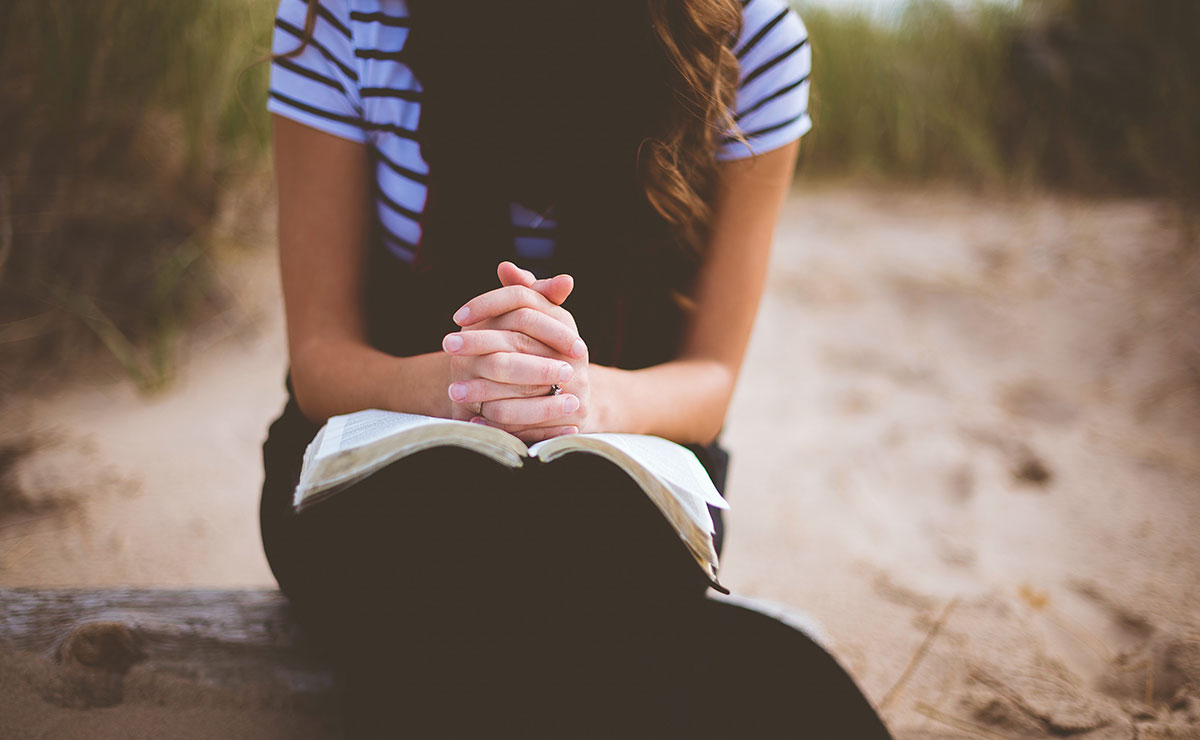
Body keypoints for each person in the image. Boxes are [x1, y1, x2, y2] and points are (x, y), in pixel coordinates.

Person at [258, 0, 893, 736]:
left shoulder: (753, 40)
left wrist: (581, 401)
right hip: (379, 450)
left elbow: (710, 378)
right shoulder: (344, 14)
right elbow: (319, 361)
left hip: (632, 461)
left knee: (578, 555)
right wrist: (461, 385)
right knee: (454, 559)